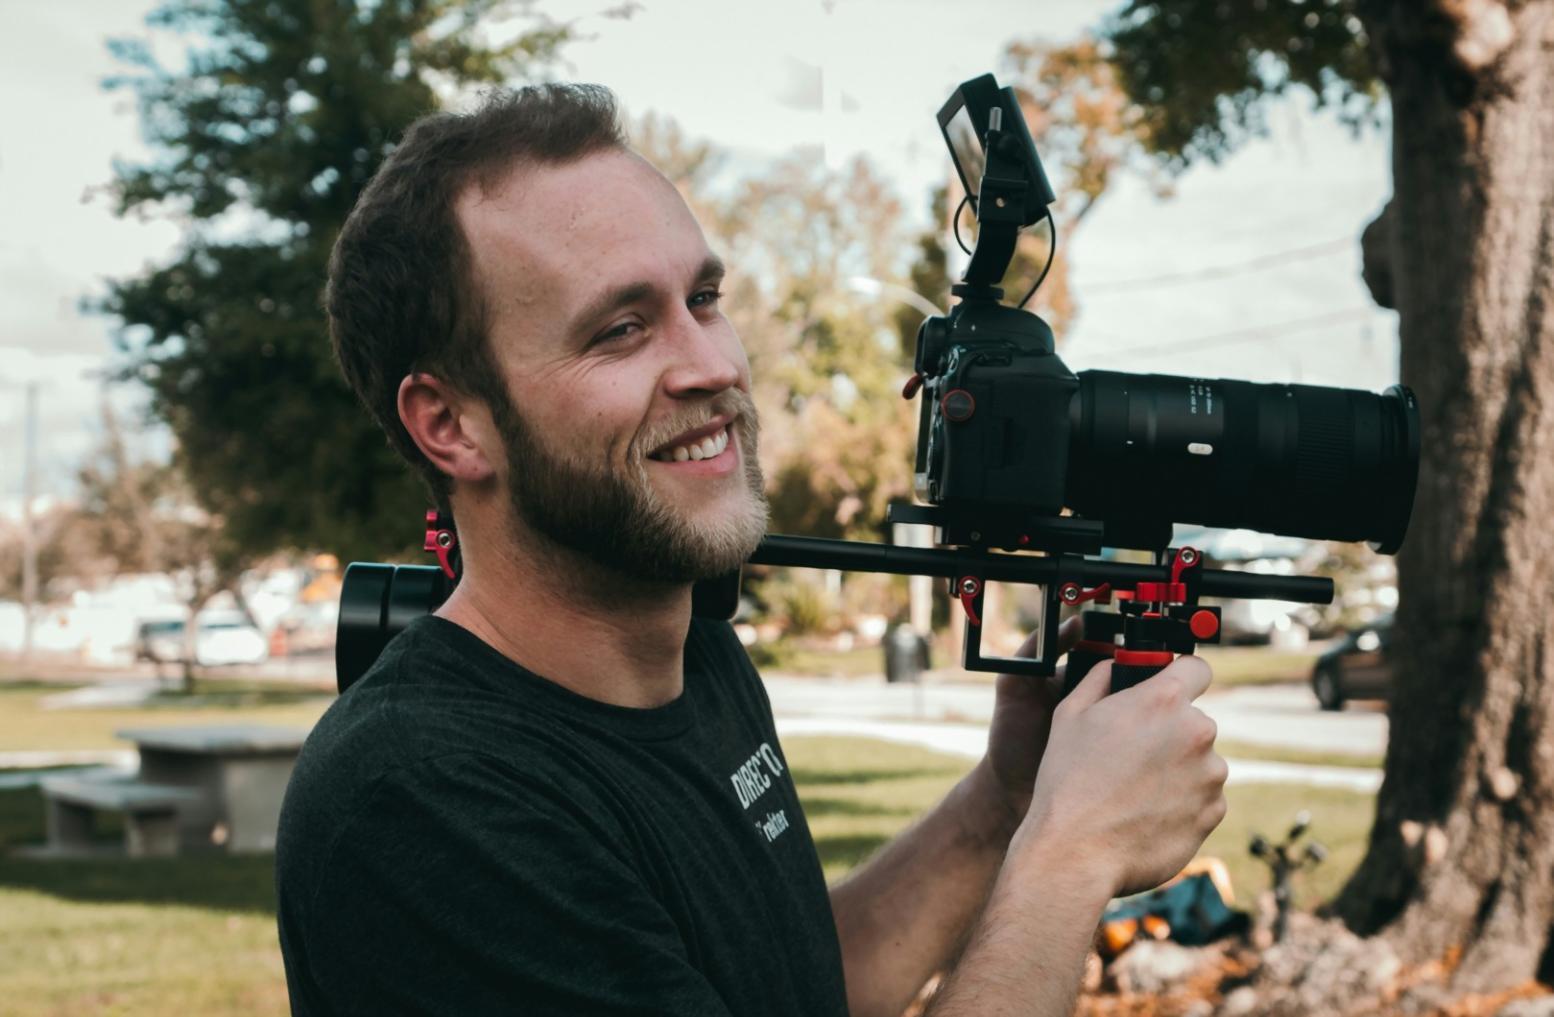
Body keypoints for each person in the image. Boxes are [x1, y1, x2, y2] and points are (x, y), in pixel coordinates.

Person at [275, 83, 1228, 1017]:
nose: (714, 364)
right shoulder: (423, 804)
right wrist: (1069, 856)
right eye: (620, 330)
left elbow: (793, 985)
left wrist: (1007, 798)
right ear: (450, 423)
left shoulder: (695, 654)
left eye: (703, 297)